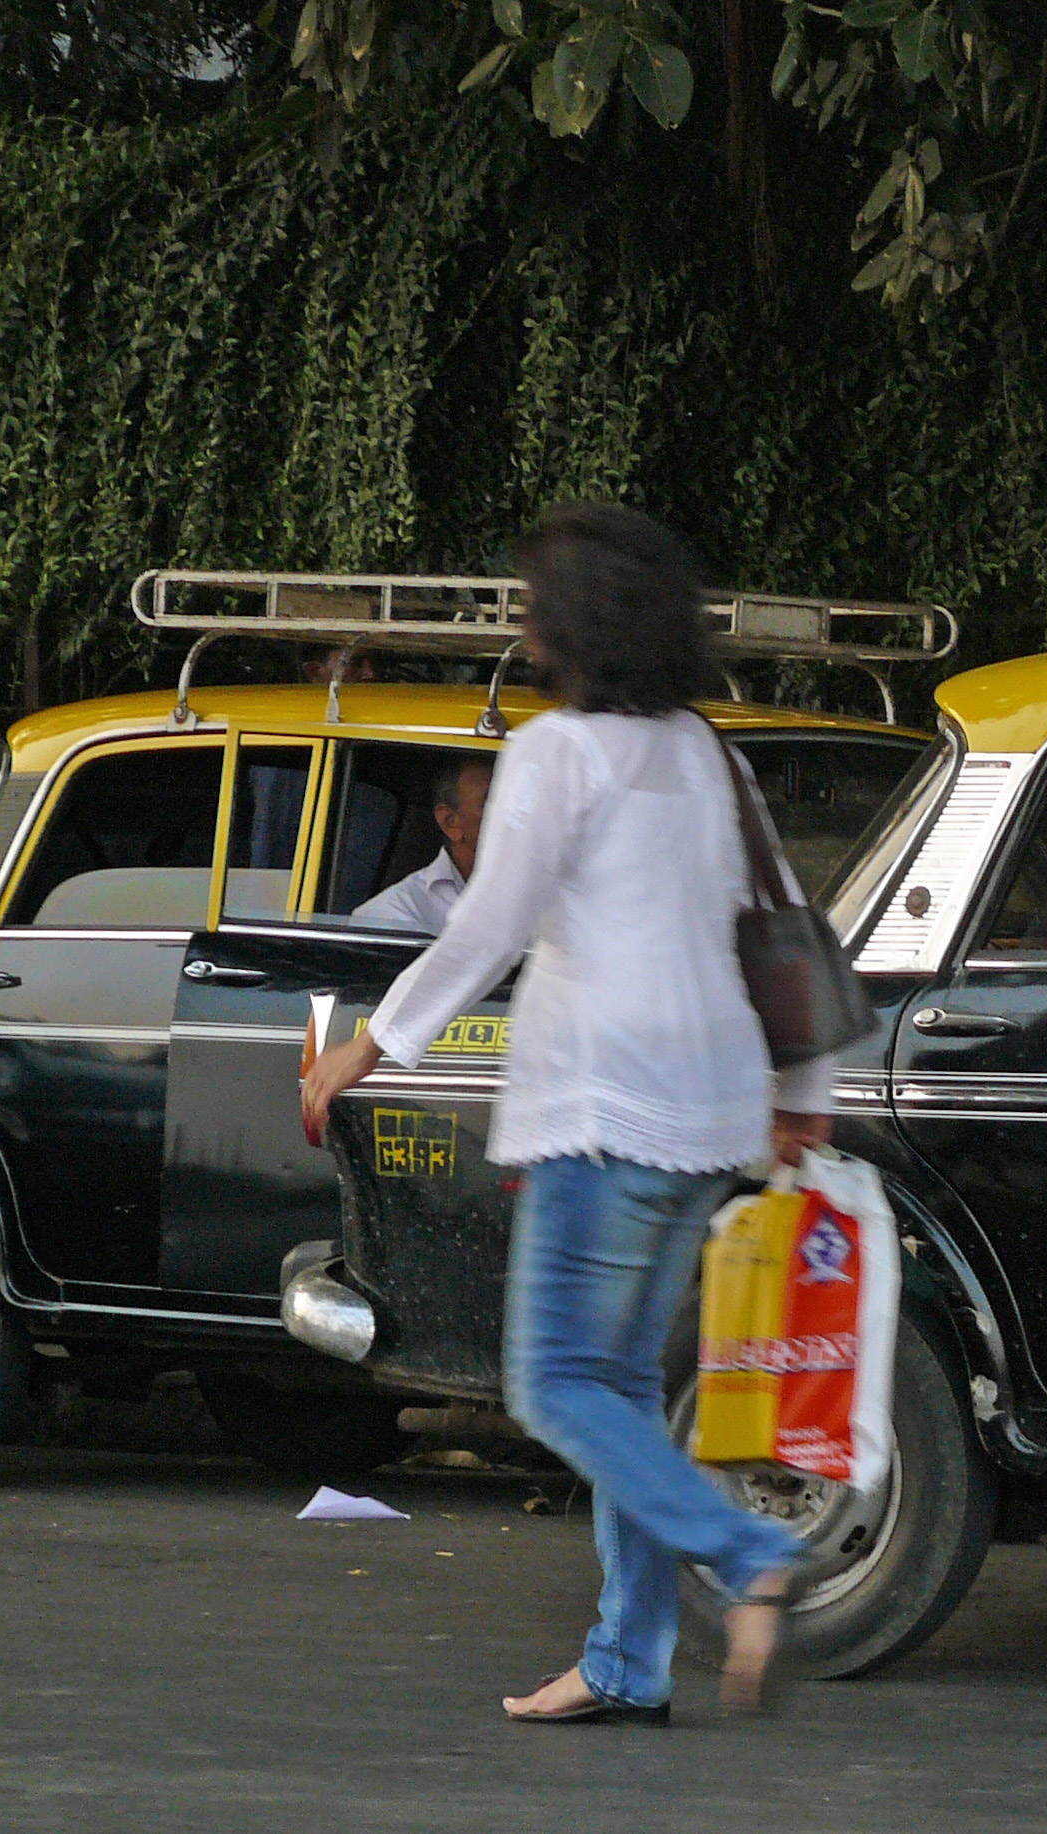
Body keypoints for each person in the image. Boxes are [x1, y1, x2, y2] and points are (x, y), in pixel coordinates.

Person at [301, 505, 832, 1725]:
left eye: (533, 604)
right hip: (707, 1116)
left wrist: (363, 1050)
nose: (524, 623)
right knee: (622, 1387)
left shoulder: (553, 755)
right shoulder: (708, 751)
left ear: (573, 625)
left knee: (553, 1384)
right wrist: (802, 1092)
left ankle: (743, 1553)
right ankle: (627, 1660)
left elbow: (485, 928)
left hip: (603, 1101)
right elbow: (782, 914)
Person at [351, 755, 492, 933]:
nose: (518, 812)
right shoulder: (390, 914)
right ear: (451, 822)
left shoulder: (533, 894)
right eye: (492, 802)